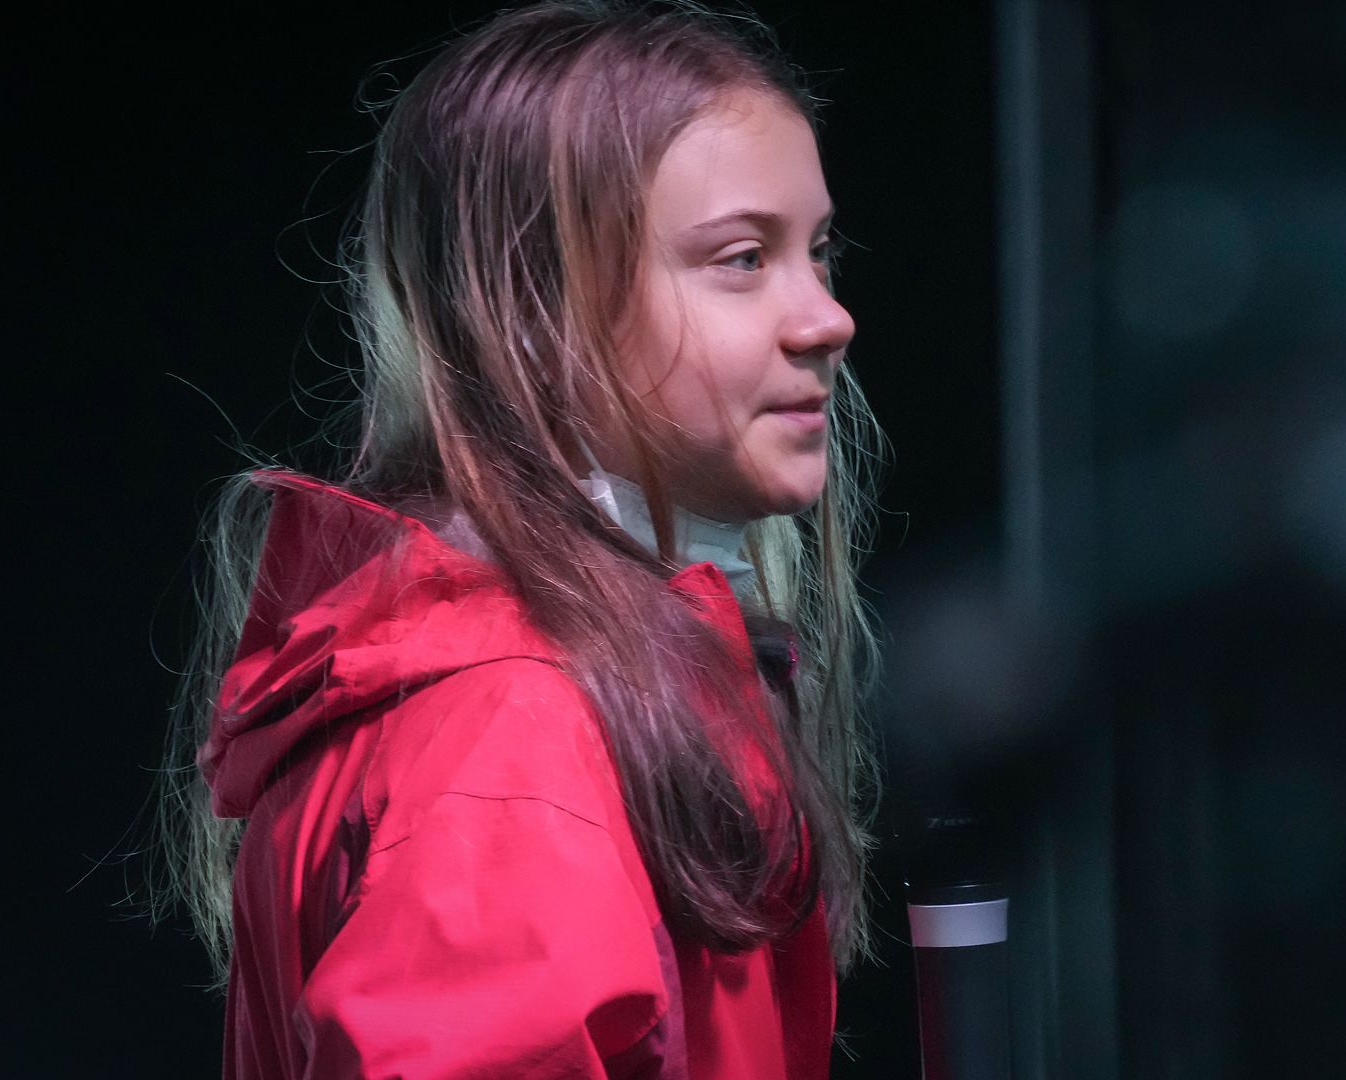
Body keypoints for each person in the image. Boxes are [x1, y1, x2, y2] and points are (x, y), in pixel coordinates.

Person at [152, 2, 884, 1076]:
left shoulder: (562, 674)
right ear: (540, 313)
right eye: (741, 258)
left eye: (817, 252)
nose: (826, 316)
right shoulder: (512, 722)